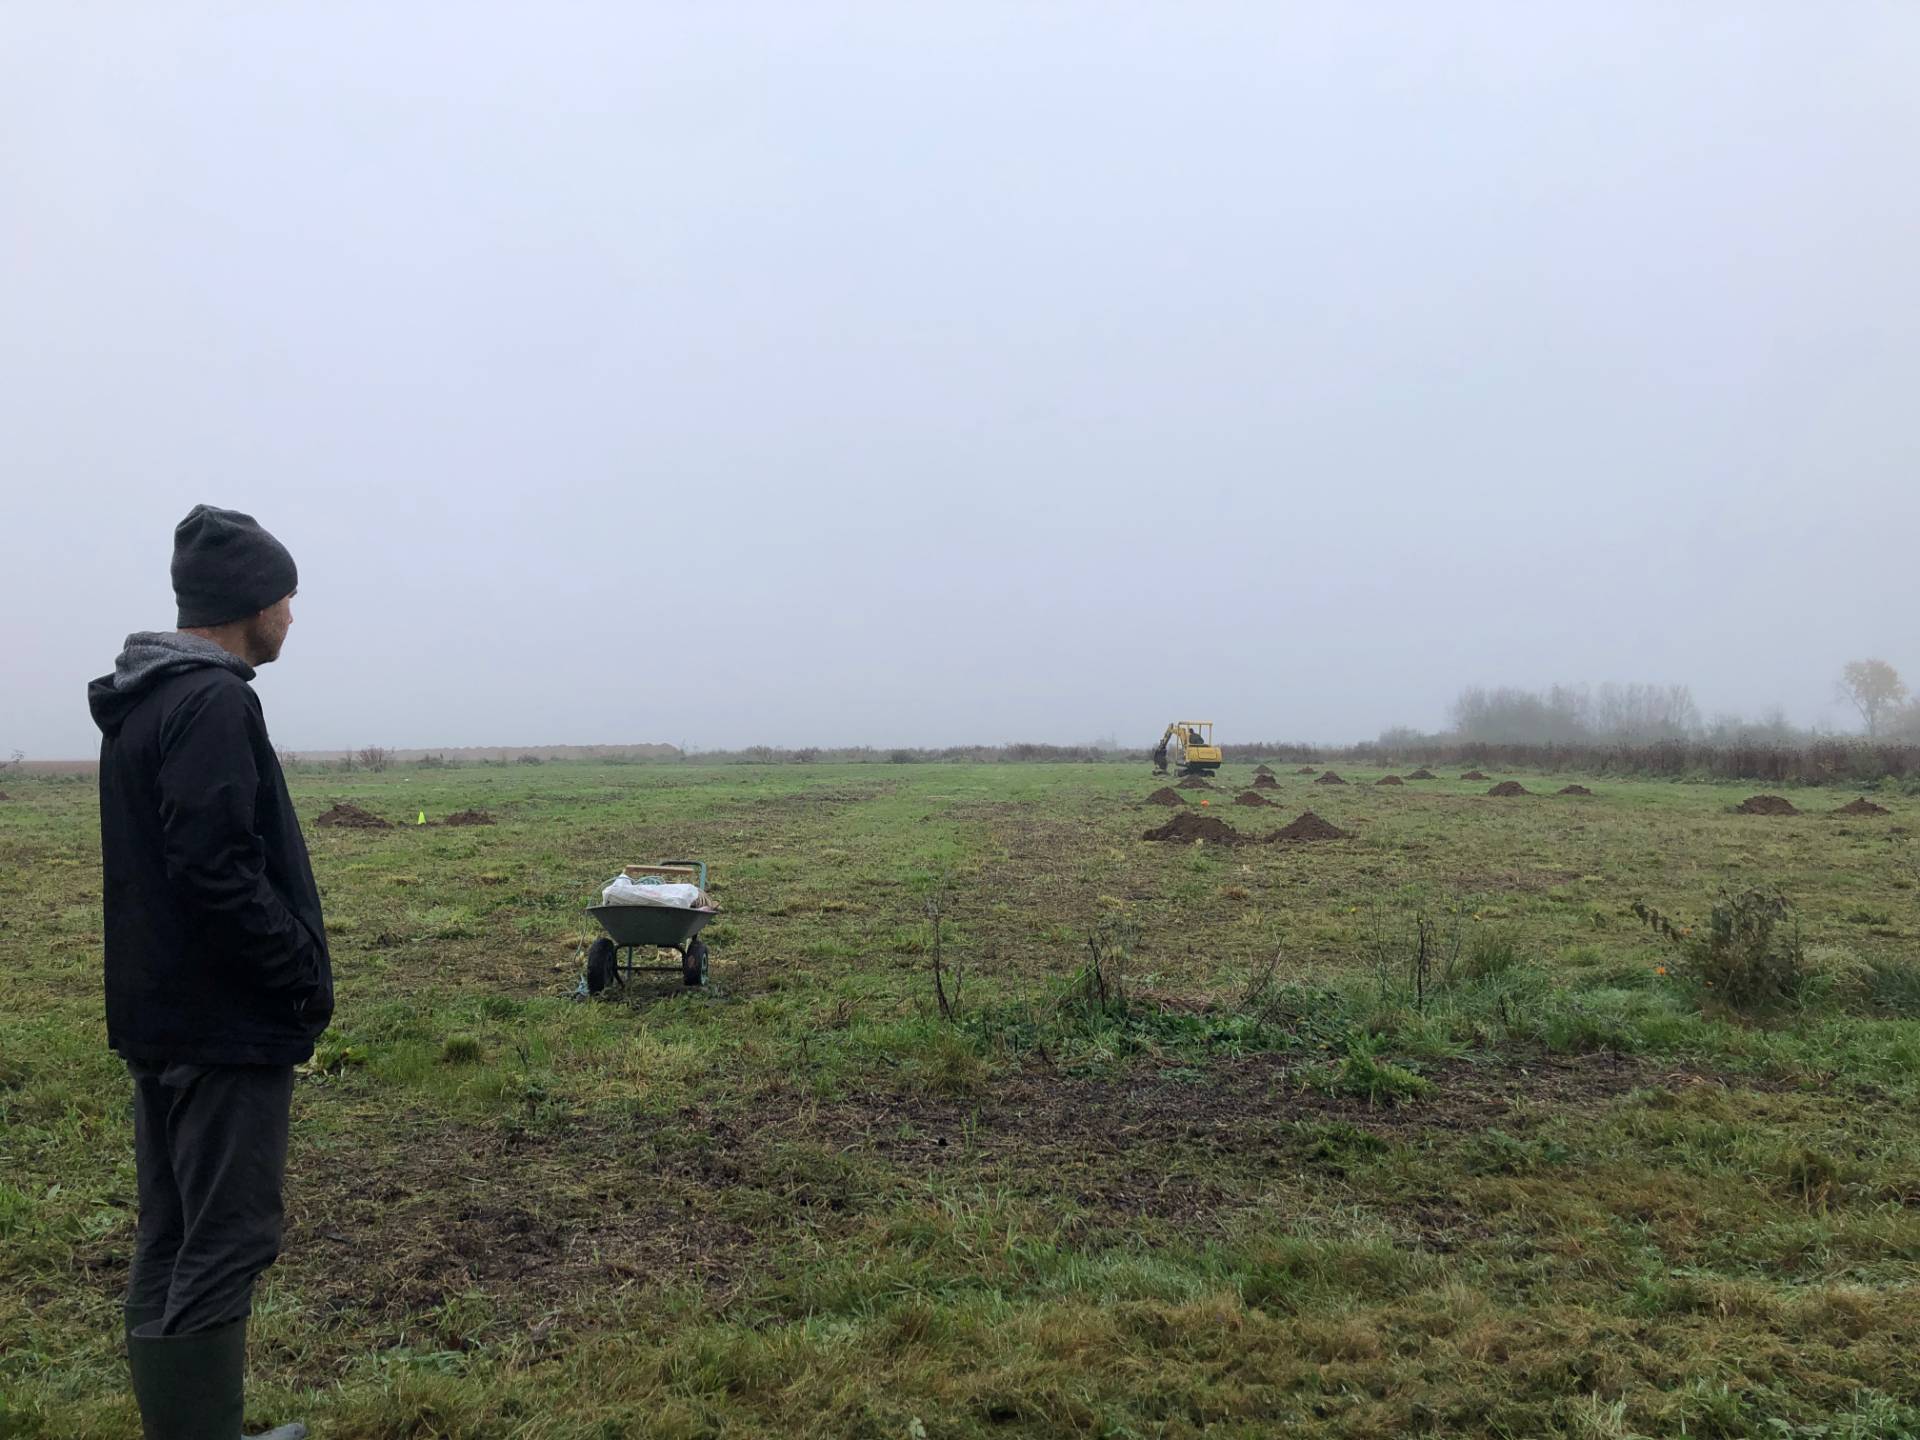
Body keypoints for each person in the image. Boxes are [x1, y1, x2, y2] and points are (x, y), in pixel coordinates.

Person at [88, 504, 329, 1440]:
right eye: (286, 597)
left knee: (173, 1232)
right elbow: (217, 868)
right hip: (223, 1024)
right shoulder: (215, 700)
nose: (292, 617)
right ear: (248, 603)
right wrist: (298, 972)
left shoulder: (145, 697)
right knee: (226, 1238)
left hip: (162, 1015)